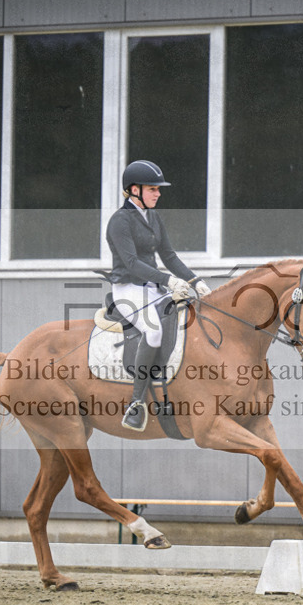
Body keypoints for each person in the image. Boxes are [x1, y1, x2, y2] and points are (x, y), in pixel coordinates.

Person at [105, 160, 211, 432]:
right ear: (134, 190)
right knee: (152, 331)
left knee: (184, 320)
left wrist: (194, 280)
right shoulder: (120, 221)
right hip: (128, 289)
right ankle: (136, 404)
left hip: (153, 288)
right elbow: (130, 263)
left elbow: (169, 256)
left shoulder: (153, 217)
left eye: (157, 189)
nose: (158, 194)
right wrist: (168, 279)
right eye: (153, 189)